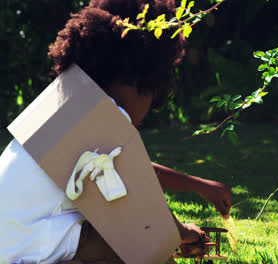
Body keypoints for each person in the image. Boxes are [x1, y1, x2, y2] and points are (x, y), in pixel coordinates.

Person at [0, 0, 231, 263]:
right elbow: (139, 204)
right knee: (147, 249)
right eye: (154, 95)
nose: (145, 114)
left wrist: (198, 186)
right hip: (34, 251)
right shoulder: (106, 115)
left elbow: (132, 171)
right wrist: (180, 233)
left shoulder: (66, 106)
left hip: (13, 248)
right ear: (141, 78)